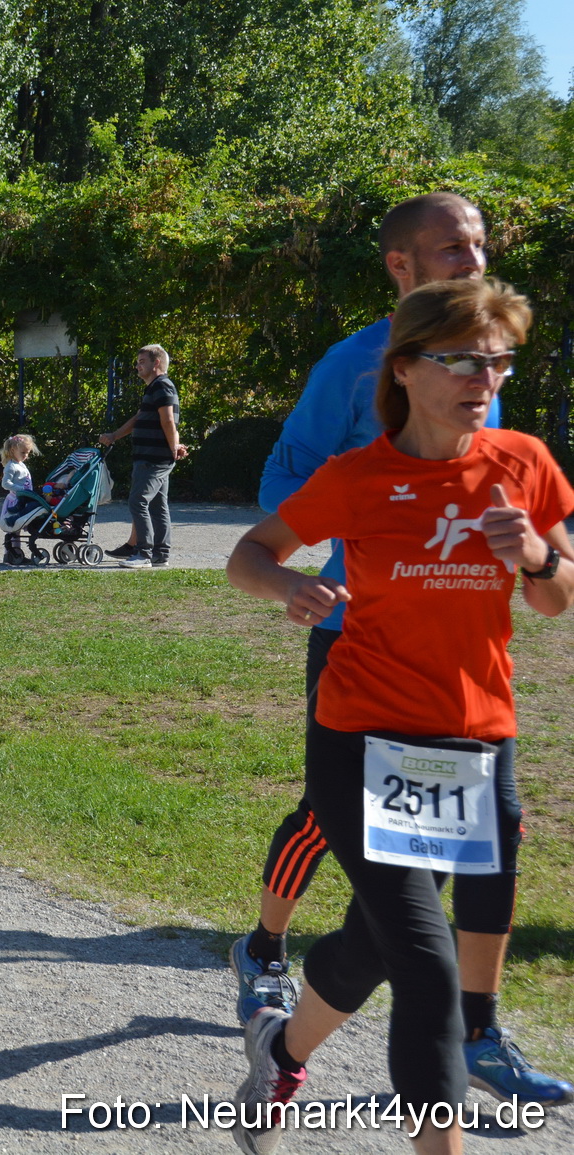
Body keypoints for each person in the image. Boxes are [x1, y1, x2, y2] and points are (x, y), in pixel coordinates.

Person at [235, 192, 570, 1106]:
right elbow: (286, 481)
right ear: (401, 264)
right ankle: (265, 946)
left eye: (479, 243)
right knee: (326, 819)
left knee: (450, 880)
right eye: (452, 246)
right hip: (356, 631)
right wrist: (354, 537)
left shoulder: (486, 356)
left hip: (461, 666)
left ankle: (475, 1028)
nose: (472, 256)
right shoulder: (349, 366)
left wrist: (527, 548)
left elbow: (525, 526)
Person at [99, 345, 185, 568]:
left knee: (138, 501)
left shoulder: (162, 386)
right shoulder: (155, 388)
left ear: (156, 363)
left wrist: (174, 446)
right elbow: (139, 418)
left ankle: (143, 553)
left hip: (154, 457)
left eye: (142, 361)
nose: (137, 366)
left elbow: (168, 420)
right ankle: (160, 555)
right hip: (149, 456)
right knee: (158, 506)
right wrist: (114, 435)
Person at [0, 433, 39, 566]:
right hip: (15, 500)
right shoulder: (11, 466)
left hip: (24, 499)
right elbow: (5, 484)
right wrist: (20, 489)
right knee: (14, 527)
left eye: (28, 453)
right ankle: (10, 553)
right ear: (13, 450)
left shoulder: (20, 464)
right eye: (23, 452)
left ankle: (16, 553)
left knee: (17, 528)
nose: (26, 455)